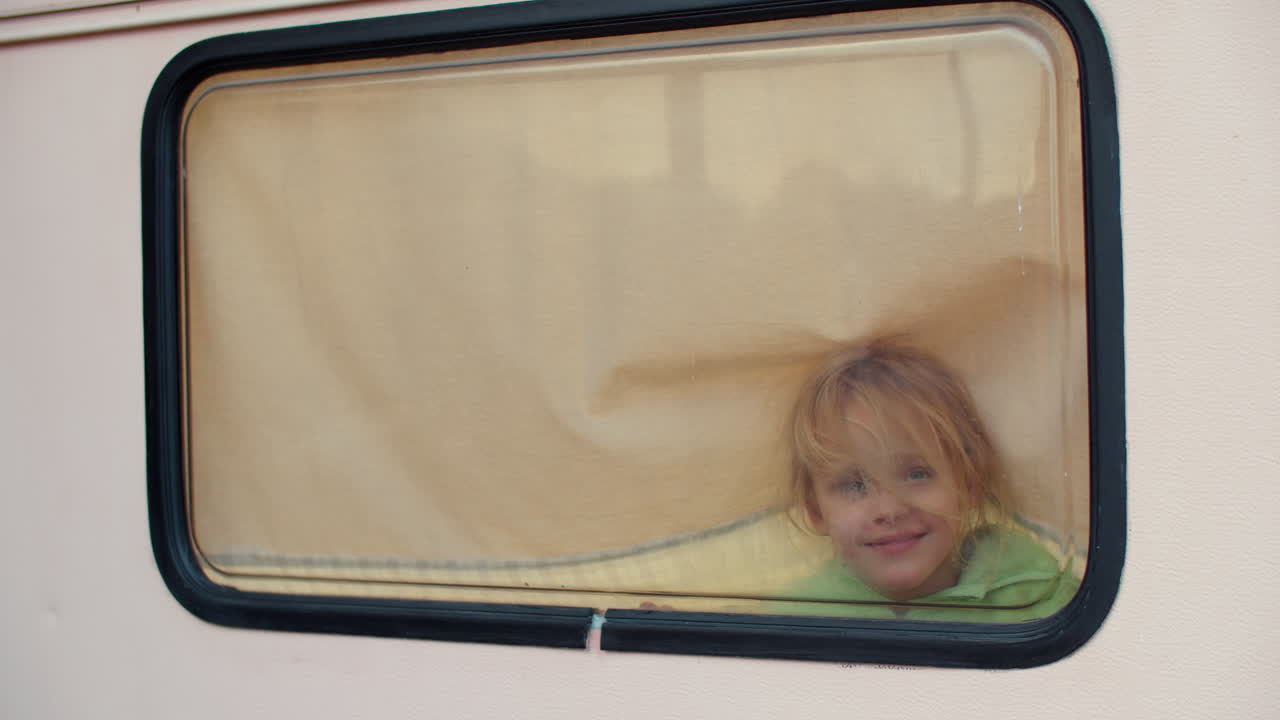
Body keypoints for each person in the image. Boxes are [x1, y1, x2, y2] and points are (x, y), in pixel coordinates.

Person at [784, 337, 1078, 621]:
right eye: (854, 484)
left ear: (969, 484)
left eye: (916, 474)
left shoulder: (1033, 592)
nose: (889, 510)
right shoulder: (803, 618)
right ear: (815, 511)